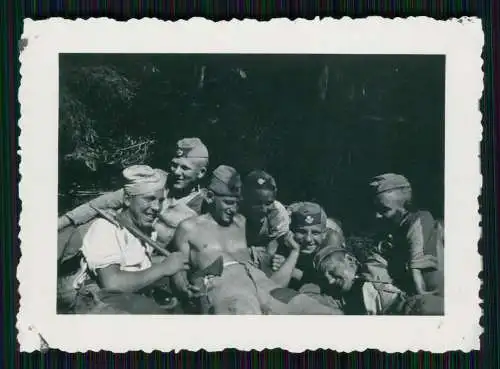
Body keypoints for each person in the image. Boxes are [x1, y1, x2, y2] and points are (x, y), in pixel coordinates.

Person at [170, 165, 338, 314]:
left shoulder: (242, 221)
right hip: (224, 284)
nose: (233, 209)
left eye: (237, 202)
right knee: (245, 317)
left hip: (261, 283)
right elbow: (177, 266)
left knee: (318, 312)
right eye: (228, 202)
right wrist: (182, 285)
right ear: (209, 196)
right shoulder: (189, 228)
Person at [57, 137, 209, 264]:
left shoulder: (202, 209)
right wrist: (62, 222)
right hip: (109, 236)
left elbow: (184, 255)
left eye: (185, 168)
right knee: (61, 242)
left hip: (138, 261)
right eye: (174, 165)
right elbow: (101, 203)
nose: (176, 172)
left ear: (201, 172)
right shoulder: (154, 179)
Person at [72, 165, 190, 314]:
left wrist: (175, 270)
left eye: (160, 201)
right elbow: (112, 283)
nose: (156, 207)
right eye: (149, 199)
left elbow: (136, 266)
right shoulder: (106, 228)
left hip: (130, 301)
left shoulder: (147, 231)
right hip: (102, 305)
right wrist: (164, 268)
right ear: (127, 199)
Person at [301, 245, 444, 315]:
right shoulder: (339, 299)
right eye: (325, 279)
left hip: (412, 306)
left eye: (332, 272)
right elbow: (307, 298)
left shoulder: (376, 263)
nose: (330, 281)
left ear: (350, 260)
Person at [367, 173, 444, 298]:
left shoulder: (421, 219)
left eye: (385, 210)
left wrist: (420, 291)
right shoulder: (391, 231)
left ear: (404, 206)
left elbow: (417, 258)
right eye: (376, 210)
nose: (377, 216)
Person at [264, 202, 346, 291]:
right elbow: (272, 289)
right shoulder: (278, 243)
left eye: (315, 233)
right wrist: (294, 252)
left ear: (324, 234)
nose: (308, 239)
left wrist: (289, 268)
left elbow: (328, 284)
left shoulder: (332, 241)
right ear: (291, 232)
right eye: (302, 232)